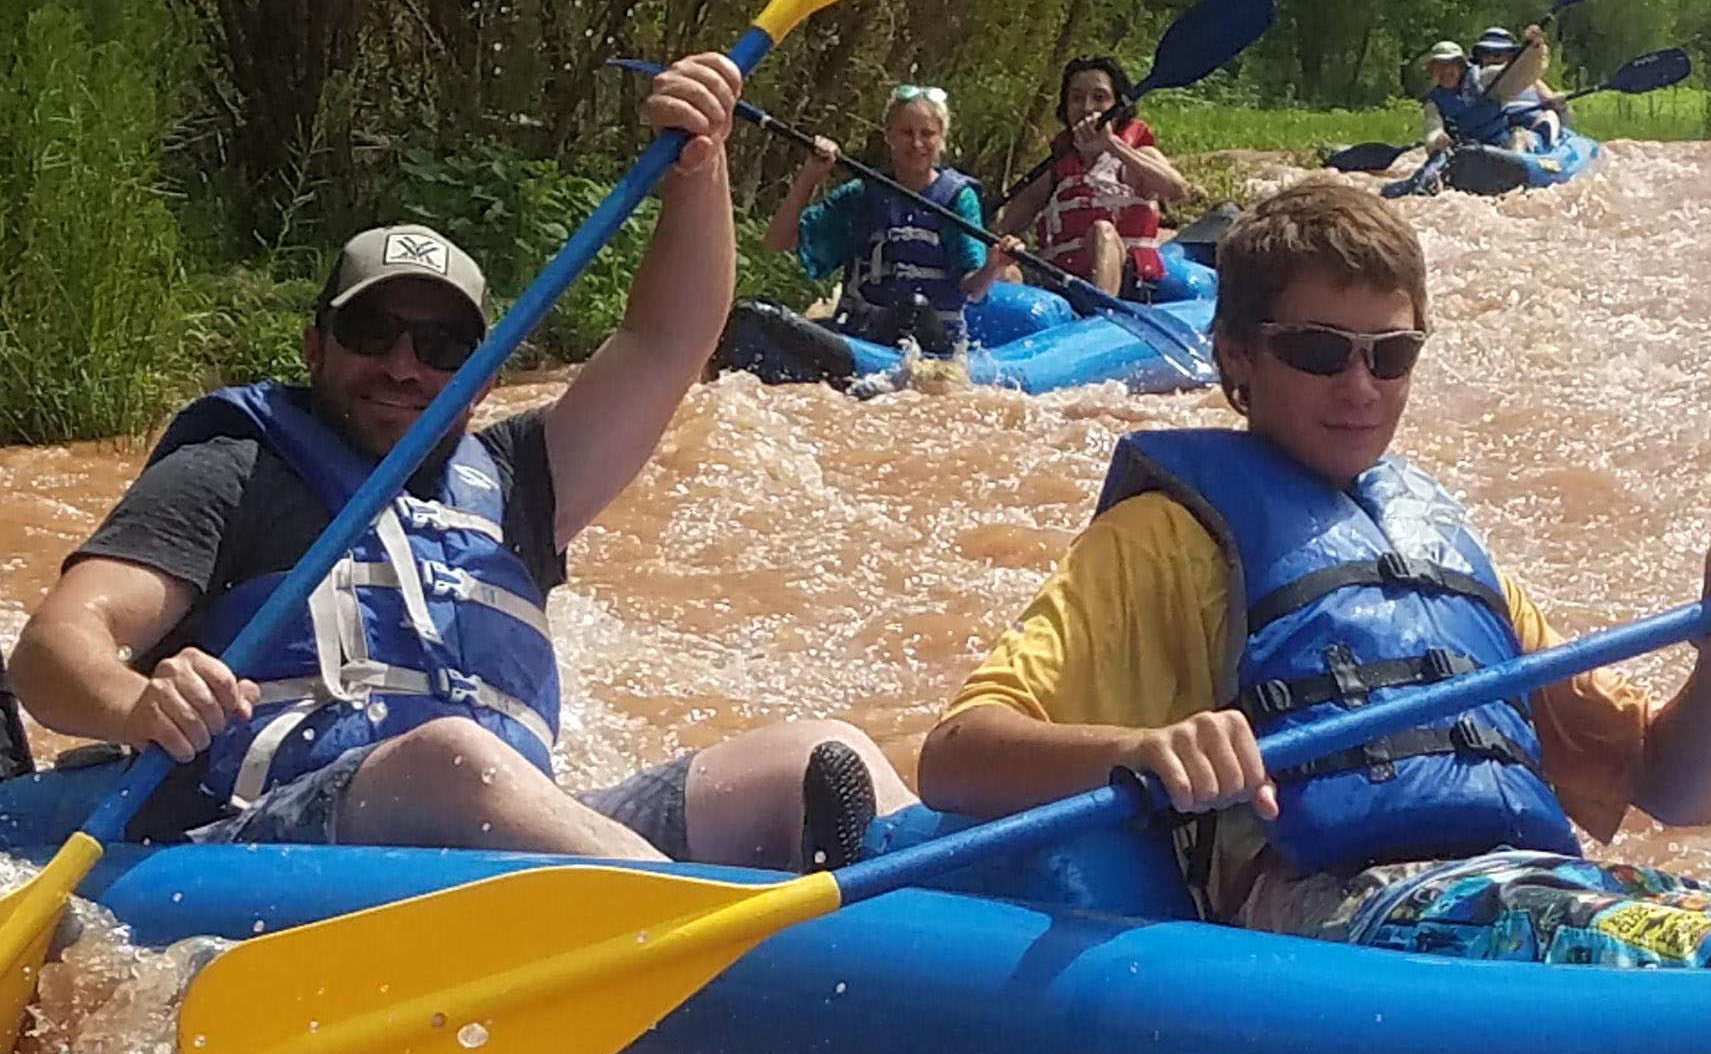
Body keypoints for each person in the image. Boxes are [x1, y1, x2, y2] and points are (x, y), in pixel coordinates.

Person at [916, 180, 1711, 971]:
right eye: (1319, 352)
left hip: (1519, 892)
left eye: (1391, 355)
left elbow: (1674, 788)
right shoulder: (1165, 540)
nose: (1360, 386)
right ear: (1235, 361)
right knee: (1706, 951)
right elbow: (957, 754)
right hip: (1330, 908)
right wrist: (1148, 748)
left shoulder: (1431, 541)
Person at [6, 54, 908, 872]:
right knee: (455, 760)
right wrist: (136, 702)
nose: (403, 365)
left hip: (527, 834)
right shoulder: (236, 469)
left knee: (816, 755)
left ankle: (961, 905)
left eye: (441, 345)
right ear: (315, 347)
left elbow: (666, 341)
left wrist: (699, 168)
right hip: (274, 835)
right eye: (371, 331)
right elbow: (56, 649)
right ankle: (720, 939)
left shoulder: (519, 480)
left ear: (478, 377)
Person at [759, 83, 1014, 355]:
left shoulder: (957, 200)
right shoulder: (863, 195)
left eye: (927, 134)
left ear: (941, 139)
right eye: (906, 133)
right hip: (865, 335)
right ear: (889, 136)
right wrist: (810, 175)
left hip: (931, 342)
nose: (916, 144)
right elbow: (778, 242)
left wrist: (993, 266)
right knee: (762, 313)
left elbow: (973, 290)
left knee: (915, 309)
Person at [994, 56, 1190, 304]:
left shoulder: (1135, 157)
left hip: (1129, 284)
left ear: (1117, 106)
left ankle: (1100, 319)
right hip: (1061, 283)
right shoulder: (1053, 170)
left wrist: (1113, 145)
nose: (1087, 108)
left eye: (1099, 98)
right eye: (1076, 98)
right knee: (1004, 266)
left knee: (1102, 232)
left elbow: (1178, 189)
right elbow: (1003, 233)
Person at [1417, 27, 1553, 159]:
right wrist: (1436, 139)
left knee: (1518, 138)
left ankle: (1518, 168)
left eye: (1450, 65)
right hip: (1467, 151)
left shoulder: (1485, 78)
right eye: (1440, 67)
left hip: (1502, 146)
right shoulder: (1435, 101)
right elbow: (1432, 124)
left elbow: (1519, 74)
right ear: (1432, 71)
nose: (1446, 72)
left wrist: (1534, 49)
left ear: (1461, 66)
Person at [1470, 26, 1565, 148]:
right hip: (1500, 126)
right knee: (1517, 137)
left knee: (1550, 115)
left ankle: (1538, 141)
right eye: (1486, 54)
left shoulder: (1531, 79)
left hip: (1532, 123)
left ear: (1510, 57)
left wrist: (1558, 104)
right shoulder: (1477, 78)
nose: (1491, 59)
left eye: (1497, 54)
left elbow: (1554, 103)